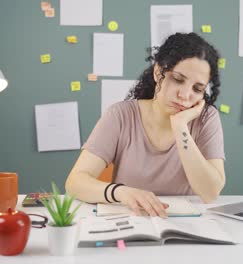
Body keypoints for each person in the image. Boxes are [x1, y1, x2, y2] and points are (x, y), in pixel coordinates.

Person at [65, 32, 225, 218]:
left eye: (197, 89)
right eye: (178, 79)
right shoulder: (120, 115)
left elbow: (210, 192)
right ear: (159, 73)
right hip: (129, 220)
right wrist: (121, 192)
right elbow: (75, 182)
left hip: (184, 224)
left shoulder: (206, 118)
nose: (185, 95)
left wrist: (180, 127)